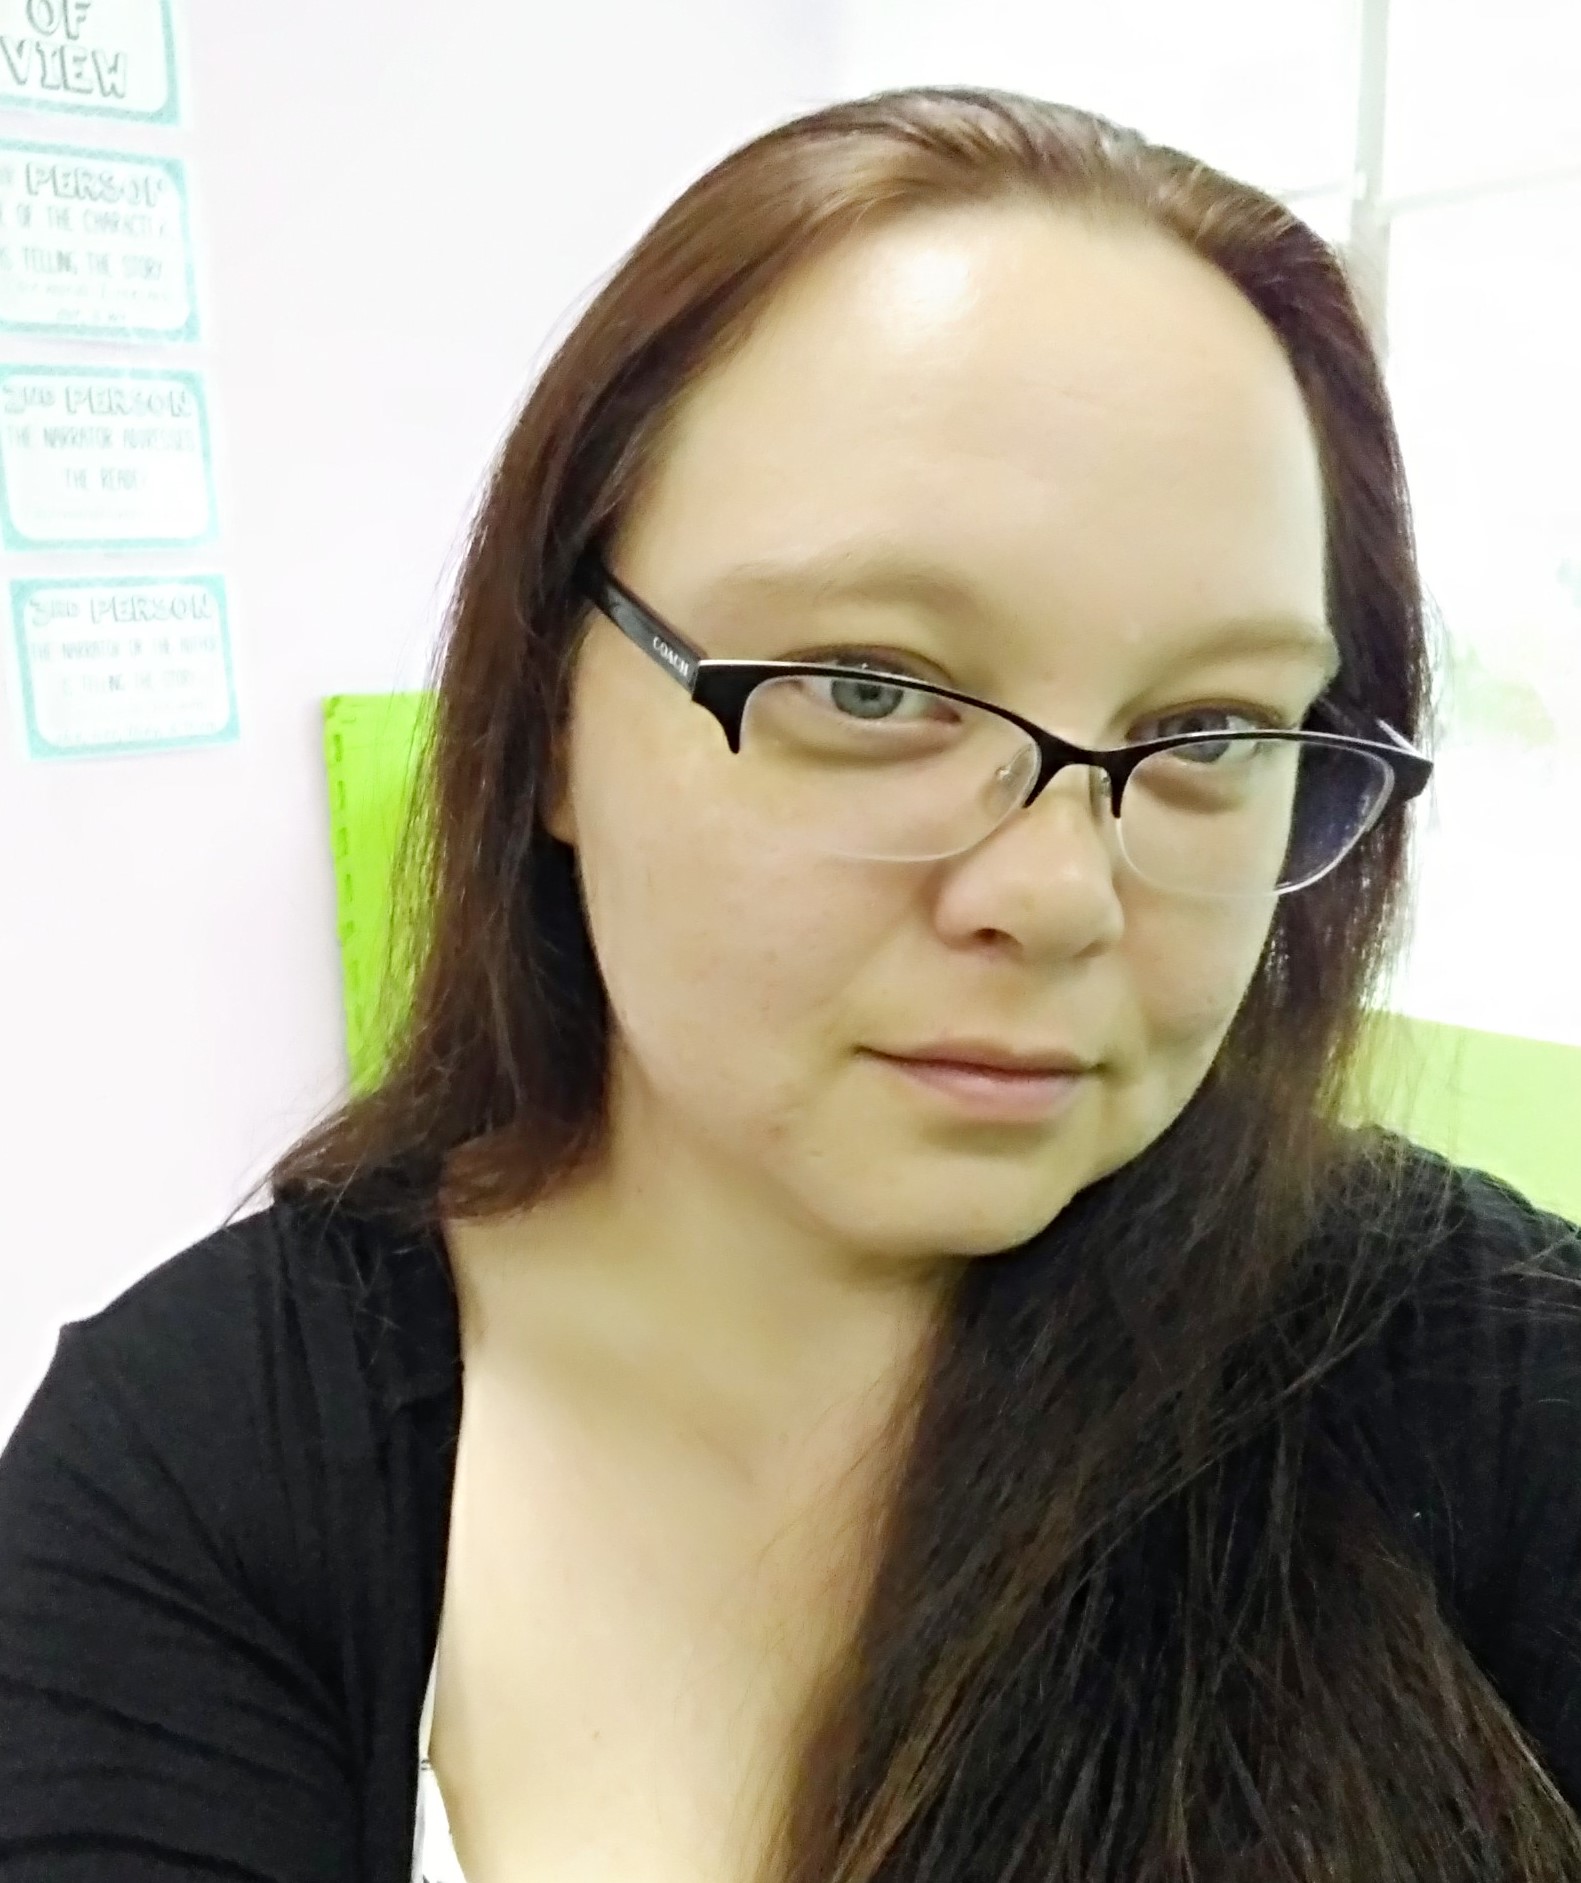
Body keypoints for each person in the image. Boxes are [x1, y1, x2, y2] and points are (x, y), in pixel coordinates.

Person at [2, 84, 1578, 1883]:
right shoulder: (204, 1471)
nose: (1058, 896)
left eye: (1210, 730)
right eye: (870, 688)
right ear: (549, 721)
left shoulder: (1488, 1369)